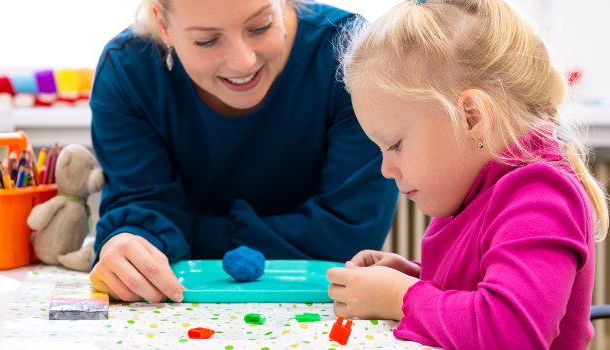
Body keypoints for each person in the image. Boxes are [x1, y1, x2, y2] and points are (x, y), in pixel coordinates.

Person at [327, 0, 609, 348]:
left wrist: (401, 296)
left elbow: (510, 332)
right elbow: (479, 290)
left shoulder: (540, 196)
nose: (386, 169)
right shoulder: (474, 187)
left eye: (395, 144)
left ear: (471, 117)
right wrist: (412, 277)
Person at [88, 0, 400, 304]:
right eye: (206, 41)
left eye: (261, 26)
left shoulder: (353, 54)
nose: (243, 62)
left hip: (325, 304)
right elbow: (142, 216)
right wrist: (127, 244)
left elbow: (350, 236)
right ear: (163, 25)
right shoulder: (126, 72)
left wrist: (185, 234)